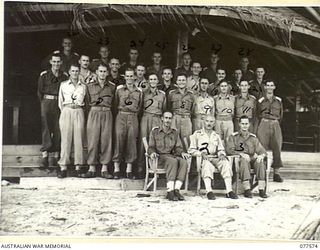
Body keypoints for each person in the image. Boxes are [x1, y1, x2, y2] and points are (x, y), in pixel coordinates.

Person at [188, 115, 238, 200]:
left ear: (214, 123)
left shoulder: (216, 135)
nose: (209, 123)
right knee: (207, 165)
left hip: (215, 157)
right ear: (204, 122)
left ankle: (229, 191)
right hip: (204, 158)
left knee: (225, 163)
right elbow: (191, 150)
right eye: (207, 121)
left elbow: (221, 148)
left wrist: (221, 154)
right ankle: (209, 191)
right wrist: (200, 154)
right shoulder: (197, 134)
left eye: (211, 122)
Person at [81, 63, 115, 179]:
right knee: (93, 140)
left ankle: (104, 169)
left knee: (106, 141)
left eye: (105, 71)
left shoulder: (111, 86)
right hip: (94, 113)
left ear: (108, 73)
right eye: (100, 71)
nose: (102, 74)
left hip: (107, 113)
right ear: (96, 72)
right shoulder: (89, 86)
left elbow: (114, 104)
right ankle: (91, 168)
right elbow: (86, 103)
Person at [148, 111, 190, 201]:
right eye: (166, 118)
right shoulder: (155, 132)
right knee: (173, 161)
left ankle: (176, 190)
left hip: (171, 157)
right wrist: (152, 153)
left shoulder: (174, 133)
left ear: (172, 120)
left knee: (183, 162)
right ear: (162, 119)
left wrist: (182, 152)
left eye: (170, 118)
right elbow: (151, 147)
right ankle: (170, 191)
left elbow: (178, 147)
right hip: (159, 158)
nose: (168, 120)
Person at [37, 53, 69, 168]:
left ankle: (56, 155)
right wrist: (44, 103)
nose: (56, 64)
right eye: (54, 61)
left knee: (58, 127)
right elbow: (39, 92)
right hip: (46, 102)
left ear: (61, 63)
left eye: (58, 62)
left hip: (59, 103)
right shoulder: (44, 75)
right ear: (50, 62)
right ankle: (45, 155)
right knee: (46, 127)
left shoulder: (64, 76)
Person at [226, 115, 268, 198]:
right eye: (243, 123)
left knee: (260, 162)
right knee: (244, 160)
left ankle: (261, 189)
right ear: (239, 124)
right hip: (239, 160)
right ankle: (247, 189)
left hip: (252, 159)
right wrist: (240, 154)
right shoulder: (234, 137)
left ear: (249, 125)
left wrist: (262, 155)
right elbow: (229, 150)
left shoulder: (253, 138)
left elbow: (262, 150)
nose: (244, 126)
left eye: (246, 124)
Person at [57, 64, 87, 178]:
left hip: (79, 111)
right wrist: (66, 111)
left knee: (79, 139)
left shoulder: (83, 86)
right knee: (66, 139)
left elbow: (86, 101)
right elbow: (60, 102)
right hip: (67, 111)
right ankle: (63, 166)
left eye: (77, 71)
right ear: (69, 72)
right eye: (73, 71)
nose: (75, 73)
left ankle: (78, 167)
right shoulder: (63, 85)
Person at [113, 68, 143, 179]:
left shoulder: (139, 91)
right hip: (121, 115)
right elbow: (115, 104)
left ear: (135, 77)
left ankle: (128, 170)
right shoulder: (119, 89)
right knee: (119, 139)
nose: (129, 78)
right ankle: (116, 169)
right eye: (127, 76)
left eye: (131, 76)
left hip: (133, 116)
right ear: (124, 77)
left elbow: (140, 107)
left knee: (132, 141)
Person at [137, 73, 166, 178]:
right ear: (148, 81)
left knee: (156, 143)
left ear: (158, 81)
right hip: (145, 118)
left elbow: (164, 108)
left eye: (155, 79)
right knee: (143, 142)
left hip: (157, 119)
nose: (153, 81)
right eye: (151, 79)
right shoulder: (143, 93)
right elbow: (139, 107)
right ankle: (141, 168)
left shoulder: (162, 94)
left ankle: (156, 168)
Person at [256, 81, 284, 183]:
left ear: (274, 87)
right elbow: (257, 113)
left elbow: (281, 115)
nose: (270, 87)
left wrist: (275, 122)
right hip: (263, 123)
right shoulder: (260, 100)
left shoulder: (279, 100)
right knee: (261, 148)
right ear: (265, 87)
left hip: (275, 123)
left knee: (277, 147)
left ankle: (276, 173)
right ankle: (262, 172)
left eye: (272, 85)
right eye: (268, 85)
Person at [168, 73, 194, 142]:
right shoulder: (172, 94)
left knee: (187, 140)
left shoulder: (191, 94)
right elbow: (168, 107)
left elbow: (193, 108)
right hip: (175, 118)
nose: (181, 82)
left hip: (186, 118)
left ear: (186, 82)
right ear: (176, 82)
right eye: (179, 80)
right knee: (173, 139)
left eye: (183, 80)